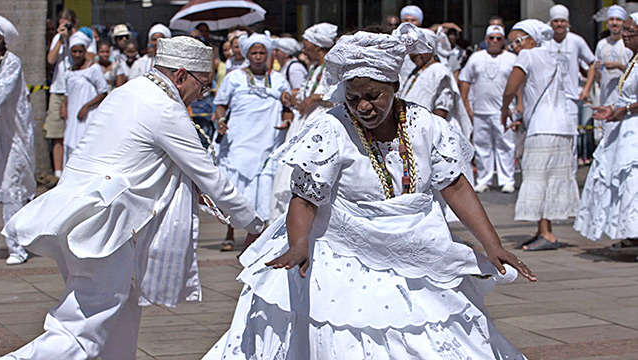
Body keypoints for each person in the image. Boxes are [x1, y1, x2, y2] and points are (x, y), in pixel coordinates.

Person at [204, 23, 535, 360]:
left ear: (394, 85)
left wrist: (494, 246)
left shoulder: (426, 124)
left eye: (373, 96)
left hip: (419, 250)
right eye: (353, 98)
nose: (363, 107)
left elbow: (455, 184)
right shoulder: (332, 129)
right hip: (346, 255)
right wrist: (300, 244)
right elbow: (304, 198)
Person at [0, 36, 264, 360]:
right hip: (103, 228)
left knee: (121, 314)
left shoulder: (127, 93)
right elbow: (212, 178)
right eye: (203, 86)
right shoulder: (165, 107)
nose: (202, 95)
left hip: (82, 219)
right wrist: (253, 223)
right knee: (80, 332)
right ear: (181, 75)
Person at [501, 19, 579, 251]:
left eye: (517, 41)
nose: (514, 46)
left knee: (537, 178)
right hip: (562, 126)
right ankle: (544, 231)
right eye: (511, 43)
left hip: (543, 128)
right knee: (552, 180)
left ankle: (546, 233)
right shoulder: (550, 56)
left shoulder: (528, 55)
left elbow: (510, 89)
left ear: (532, 40)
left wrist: (503, 111)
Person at [214, 33, 291, 251]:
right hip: (239, 142)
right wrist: (221, 120)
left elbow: (287, 108)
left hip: (268, 142)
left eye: (262, 53)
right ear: (247, 55)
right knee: (236, 190)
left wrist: (287, 121)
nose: (258, 57)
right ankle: (230, 234)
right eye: (254, 53)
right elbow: (220, 104)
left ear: (268, 55)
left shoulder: (278, 79)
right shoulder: (234, 78)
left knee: (263, 190)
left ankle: (258, 237)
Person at [575, 13, 638, 251]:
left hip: (634, 127)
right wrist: (612, 108)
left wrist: (627, 109)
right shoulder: (633, 61)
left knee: (633, 179)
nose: (626, 37)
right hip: (625, 125)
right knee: (624, 182)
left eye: (631, 32)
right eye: (625, 32)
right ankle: (632, 232)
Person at [0, 14, 35, 265]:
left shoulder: (13, 63)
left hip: (11, 137)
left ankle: (17, 248)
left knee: (12, 190)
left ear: (0, 39)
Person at [269, 22, 338, 221]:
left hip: (320, 128)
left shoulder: (332, 67)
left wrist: (315, 98)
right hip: (304, 123)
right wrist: (295, 99)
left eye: (307, 46)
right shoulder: (315, 68)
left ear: (319, 47)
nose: (304, 51)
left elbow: (337, 95)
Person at [460, 25, 518, 193]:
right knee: (481, 146)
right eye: (491, 38)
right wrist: (465, 104)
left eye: (498, 38)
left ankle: (507, 180)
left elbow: (518, 84)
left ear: (504, 41)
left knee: (506, 145)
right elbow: (465, 80)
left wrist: (519, 104)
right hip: (480, 110)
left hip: (504, 111)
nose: (494, 41)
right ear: (486, 40)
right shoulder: (476, 58)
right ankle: (484, 179)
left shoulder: (511, 58)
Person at [543, 4, 596, 169]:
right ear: (551, 23)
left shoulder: (576, 41)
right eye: (556, 21)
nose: (559, 24)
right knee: (550, 135)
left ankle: (571, 172)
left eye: (562, 21)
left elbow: (592, 63)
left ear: (567, 23)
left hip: (571, 97)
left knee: (572, 136)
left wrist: (586, 89)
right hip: (548, 98)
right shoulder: (544, 42)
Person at [60, 32, 108, 164]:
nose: (77, 55)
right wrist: (63, 106)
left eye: (80, 51)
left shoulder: (93, 69)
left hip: (87, 116)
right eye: (74, 51)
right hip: (72, 117)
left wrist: (86, 107)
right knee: (70, 144)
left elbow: (103, 92)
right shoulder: (69, 72)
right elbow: (67, 93)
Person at [45, 9, 77, 179]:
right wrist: (60, 40)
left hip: (74, 90)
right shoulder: (58, 39)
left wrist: (71, 37)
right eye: (62, 23)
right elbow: (50, 60)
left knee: (75, 131)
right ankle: (58, 172)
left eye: (67, 23)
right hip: (58, 89)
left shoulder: (79, 37)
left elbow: (87, 56)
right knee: (56, 132)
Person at [594, 5, 633, 133]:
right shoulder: (601, 44)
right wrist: (597, 69)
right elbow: (597, 76)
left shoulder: (628, 44)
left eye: (618, 20)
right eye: (611, 19)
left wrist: (619, 66)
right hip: (606, 95)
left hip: (623, 97)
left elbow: (633, 72)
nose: (614, 23)